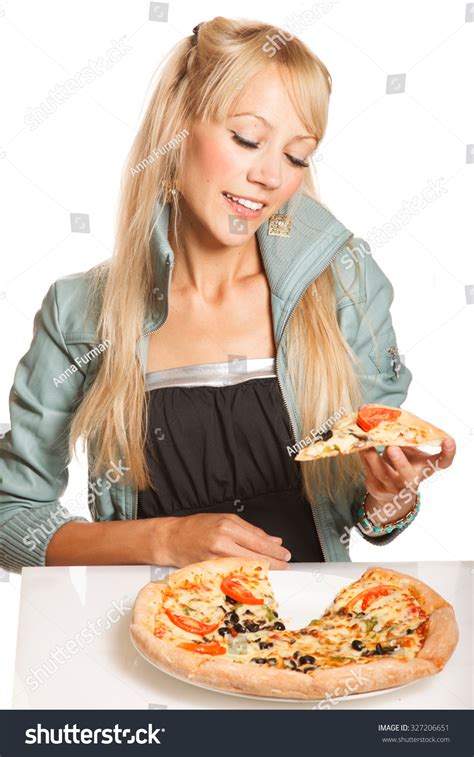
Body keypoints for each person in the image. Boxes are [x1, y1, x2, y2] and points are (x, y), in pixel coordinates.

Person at [0, 17, 455, 573]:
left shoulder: (343, 287)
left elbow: (370, 517)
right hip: (147, 645)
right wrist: (164, 540)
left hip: (315, 644)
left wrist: (391, 494)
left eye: (296, 155)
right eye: (246, 138)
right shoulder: (80, 314)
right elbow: (12, 516)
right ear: (177, 128)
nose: (269, 175)